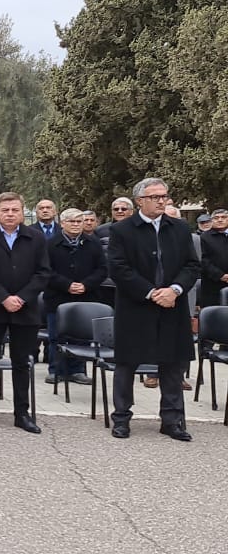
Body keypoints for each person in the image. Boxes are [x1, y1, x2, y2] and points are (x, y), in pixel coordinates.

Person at [106, 178, 198, 441]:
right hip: (136, 307)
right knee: (127, 364)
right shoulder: (122, 230)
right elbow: (118, 268)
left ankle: (172, 420)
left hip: (172, 306)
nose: (161, 200)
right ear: (139, 201)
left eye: (164, 196)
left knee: (172, 365)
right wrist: (150, 292)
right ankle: (122, 418)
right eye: (155, 196)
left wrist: (175, 290)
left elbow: (192, 265)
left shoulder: (179, 228)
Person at [0, 192, 51, 434]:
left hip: (25, 311)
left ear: (22, 212)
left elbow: (43, 272)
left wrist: (22, 298)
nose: (10, 214)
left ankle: (22, 413)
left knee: (21, 363)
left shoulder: (35, 238)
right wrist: (3, 297)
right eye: (5, 210)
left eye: (15, 210)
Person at [43, 208, 106, 386]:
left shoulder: (93, 243)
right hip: (57, 296)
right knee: (56, 336)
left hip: (86, 296)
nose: (76, 225)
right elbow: (45, 270)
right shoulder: (50, 244)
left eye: (79, 221)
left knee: (82, 337)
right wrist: (66, 285)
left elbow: (102, 269)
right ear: (62, 223)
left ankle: (78, 370)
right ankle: (56, 370)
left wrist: (85, 284)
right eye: (71, 221)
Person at [199, 209, 228, 311]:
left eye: (223, 217)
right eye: (216, 218)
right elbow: (203, 260)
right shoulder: (204, 237)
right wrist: (220, 275)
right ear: (212, 221)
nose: (220, 220)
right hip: (212, 285)